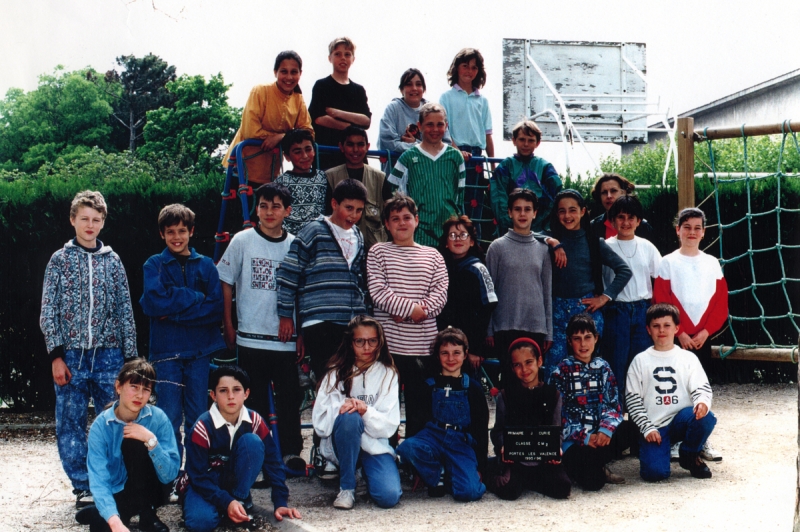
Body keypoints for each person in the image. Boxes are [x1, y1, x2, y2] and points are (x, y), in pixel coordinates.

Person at [40, 190, 138, 509]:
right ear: (73, 220)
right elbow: (48, 310)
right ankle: (83, 486)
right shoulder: (59, 260)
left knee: (115, 421)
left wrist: (131, 360)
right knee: (71, 423)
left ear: (103, 223)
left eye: (96, 220)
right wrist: (56, 355)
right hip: (71, 357)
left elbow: (125, 309)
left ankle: (113, 483)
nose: (90, 225)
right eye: (84, 219)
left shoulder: (113, 261)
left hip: (109, 356)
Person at [216, 183, 304, 471]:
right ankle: (260, 456)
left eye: (276, 206)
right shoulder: (242, 241)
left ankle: (291, 453)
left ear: (288, 211)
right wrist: (229, 324)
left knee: (290, 398)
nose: (269, 212)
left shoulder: (296, 244)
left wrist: (300, 331)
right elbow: (226, 282)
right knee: (254, 402)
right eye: (263, 205)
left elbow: (302, 292)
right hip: (250, 338)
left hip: (285, 340)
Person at [140, 204, 225, 465]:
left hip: (199, 352)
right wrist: (193, 297)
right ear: (162, 235)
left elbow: (215, 309)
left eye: (181, 231)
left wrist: (174, 313)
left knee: (198, 413)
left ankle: (196, 470)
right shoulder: (154, 264)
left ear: (191, 231)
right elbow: (153, 303)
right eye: (170, 232)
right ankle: (172, 470)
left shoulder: (207, 265)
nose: (176, 237)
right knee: (169, 414)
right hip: (166, 353)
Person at [367, 195, 448, 438]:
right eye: (395, 219)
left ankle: (415, 460)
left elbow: (440, 295)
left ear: (417, 220)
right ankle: (385, 454)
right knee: (384, 406)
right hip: (388, 347)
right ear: (386, 224)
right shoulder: (378, 252)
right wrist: (412, 310)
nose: (401, 223)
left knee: (420, 408)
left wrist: (412, 313)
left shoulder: (433, 255)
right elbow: (378, 291)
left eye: (406, 217)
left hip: (423, 347)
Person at [183, 365, 302, 531]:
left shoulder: (255, 421)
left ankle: (239, 500)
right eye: (223, 391)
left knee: (252, 442)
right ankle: (225, 506)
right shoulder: (202, 426)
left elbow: (273, 462)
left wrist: (280, 502)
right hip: (205, 485)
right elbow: (197, 476)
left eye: (237, 390)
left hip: (233, 482)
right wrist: (225, 501)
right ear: (213, 395)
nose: (231, 396)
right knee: (200, 523)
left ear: (246, 393)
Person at [653, 207, 728, 462]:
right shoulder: (668, 262)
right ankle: (677, 439)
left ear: (704, 232)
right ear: (678, 230)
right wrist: (680, 332)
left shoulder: (712, 263)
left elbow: (720, 303)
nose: (692, 232)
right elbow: (661, 299)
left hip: (702, 338)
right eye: (687, 227)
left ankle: (701, 440)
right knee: (678, 387)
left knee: (701, 388)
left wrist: (706, 331)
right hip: (677, 338)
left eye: (697, 228)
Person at [277, 179, 368, 383]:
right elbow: (289, 273)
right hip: (321, 321)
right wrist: (285, 315)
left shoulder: (358, 235)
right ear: (334, 204)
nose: (354, 215)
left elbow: (359, 279)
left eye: (359, 210)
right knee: (328, 382)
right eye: (349, 208)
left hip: (351, 320)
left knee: (351, 381)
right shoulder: (314, 230)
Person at [76, 359, 180, 532]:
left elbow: (169, 475)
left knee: (134, 441)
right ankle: (104, 511)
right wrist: (114, 521)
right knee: (100, 528)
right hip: (120, 490)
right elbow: (99, 478)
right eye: (134, 386)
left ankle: (147, 515)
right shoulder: (101, 426)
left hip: (153, 489)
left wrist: (151, 440)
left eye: (146, 389)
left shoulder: (158, 418)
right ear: (119, 387)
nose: (140, 395)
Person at [312, 316, 402, 510]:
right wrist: (345, 407)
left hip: (374, 446)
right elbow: (319, 422)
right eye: (359, 341)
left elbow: (389, 425)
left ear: (380, 342)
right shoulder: (334, 373)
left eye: (372, 341)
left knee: (389, 496)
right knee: (349, 417)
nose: (366, 347)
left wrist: (366, 410)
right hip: (342, 446)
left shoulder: (388, 374)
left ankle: (362, 472)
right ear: (350, 342)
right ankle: (347, 487)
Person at [544, 189, 632, 377]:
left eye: (573, 210)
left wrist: (604, 297)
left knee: (588, 368)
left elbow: (624, 270)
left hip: (586, 311)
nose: (567, 216)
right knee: (555, 368)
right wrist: (552, 241)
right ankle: (557, 407)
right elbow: (528, 234)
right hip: (556, 314)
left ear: (583, 211)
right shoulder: (549, 240)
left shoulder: (593, 241)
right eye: (562, 211)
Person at [626, 304, 717, 481]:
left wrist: (702, 403)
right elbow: (633, 399)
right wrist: (647, 428)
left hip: (681, 420)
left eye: (667, 325)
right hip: (655, 426)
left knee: (706, 418)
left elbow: (701, 387)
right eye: (656, 326)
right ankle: (656, 449)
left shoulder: (688, 358)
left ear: (676, 328)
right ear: (648, 329)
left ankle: (689, 454)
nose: (662, 330)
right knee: (655, 474)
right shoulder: (640, 360)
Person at [396, 328, 488, 501]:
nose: (451, 358)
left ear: (465, 354)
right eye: (445, 353)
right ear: (437, 356)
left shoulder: (473, 388)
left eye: (456, 353)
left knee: (469, 493)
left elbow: (481, 428)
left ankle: (453, 474)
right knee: (407, 446)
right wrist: (419, 467)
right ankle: (437, 473)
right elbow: (417, 421)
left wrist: (480, 466)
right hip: (433, 437)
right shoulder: (429, 385)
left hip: (460, 441)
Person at [551, 314, 631, 491]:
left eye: (587, 337)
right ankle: (583, 467)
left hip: (600, 436)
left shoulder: (604, 367)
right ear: (569, 341)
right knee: (594, 483)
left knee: (629, 429)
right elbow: (558, 415)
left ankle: (596, 463)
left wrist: (605, 430)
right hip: (575, 440)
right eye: (577, 339)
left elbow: (613, 406)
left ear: (596, 339)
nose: (583, 344)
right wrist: (585, 437)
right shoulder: (560, 372)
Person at [488, 338, 571, 500]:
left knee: (563, 489)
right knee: (509, 492)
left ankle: (530, 481)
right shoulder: (505, 395)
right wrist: (503, 446)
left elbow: (557, 430)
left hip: (543, 461)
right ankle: (493, 471)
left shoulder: (553, 394)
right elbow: (497, 431)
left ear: (539, 361)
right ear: (512, 368)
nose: (524, 369)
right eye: (517, 365)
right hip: (516, 460)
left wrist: (556, 448)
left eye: (528, 362)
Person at [485, 188, 552, 381]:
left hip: (535, 327)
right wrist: (489, 329)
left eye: (527, 209)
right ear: (509, 212)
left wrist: (548, 332)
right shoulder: (497, 247)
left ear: (535, 213)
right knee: (509, 382)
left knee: (533, 383)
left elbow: (546, 292)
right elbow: (489, 293)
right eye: (517, 209)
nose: (522, 214)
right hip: (504, 327)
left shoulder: (543, 249)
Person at [602, 195, 662, 410]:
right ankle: (615, 414)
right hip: (616, 310)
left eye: (631, 217)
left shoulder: (647, 247)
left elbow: (661, 278)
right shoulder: (605, 246)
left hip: (642, 309)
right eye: (620, 217)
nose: (625, 222)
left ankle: (641, 412)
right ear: (612, 220)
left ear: (639, 221)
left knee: (641, 362)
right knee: (616, 362)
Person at [223, 51, 313, 186]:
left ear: (300, 73)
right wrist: (286, 137)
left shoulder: (298, 99)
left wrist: (281, 137)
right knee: (239, 206)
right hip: (242, 167)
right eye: (284, 71)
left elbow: (308, 133)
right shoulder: (260, 91)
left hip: (271, 173)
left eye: (294, 72)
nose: (289, 77)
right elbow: (251, 131)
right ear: (275, 72)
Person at [387, 102, 465, 247]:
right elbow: (392, 190)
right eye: (429, 124)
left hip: (448, 234)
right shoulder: (408, 157)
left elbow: (459, 197)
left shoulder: (455, 157)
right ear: (420, 125)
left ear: (446, 126)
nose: (435, 129)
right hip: (419, 234)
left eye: (439, 124)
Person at [439, 48, 494, 237]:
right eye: (465, 66)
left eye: (473, 67)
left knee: (475, 208)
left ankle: (474, 250)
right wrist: (456, 151)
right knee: (457, 206)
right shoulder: (446, 97)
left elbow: (487, 136)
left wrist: (493, 165)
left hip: (477, 158)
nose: (469, 71)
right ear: (456, 68)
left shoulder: (482, 100)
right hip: (455, 155)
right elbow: (444, 130)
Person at [436, 215, 497, 373]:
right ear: (446, 243)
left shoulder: (478, 269)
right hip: (444, 343)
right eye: (452, 235)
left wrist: (476, 349)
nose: (458, 239)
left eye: (463, 235)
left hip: (469, 346)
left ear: (471, 241)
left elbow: (486, 310)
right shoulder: (440, 268)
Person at [325, 126, 392, 250]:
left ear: (367, 146)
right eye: (350, 144)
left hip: (375, 248)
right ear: (341, 147)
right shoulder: (331, 176)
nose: (355, 150)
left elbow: (389, 214)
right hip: (341, 246)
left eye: (360, 144)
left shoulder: (379, 177)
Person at [308, 37, 371, 170]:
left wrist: (337, 113)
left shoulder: (359, 90)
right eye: (338, 54)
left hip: (355, 157)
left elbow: (366, 121)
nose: (343, 58)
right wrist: (353, 127)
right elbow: (319, 119)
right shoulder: (321, 85)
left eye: (347, 54)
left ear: (353, 59)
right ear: (330, 58)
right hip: (328, 154)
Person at [490, 120, 562, 234]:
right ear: (514, 140)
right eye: (522, 139)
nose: (526, 144)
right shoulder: (505, 167)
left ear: (537, 143)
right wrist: (511, 225)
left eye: (531, 140)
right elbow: (498, 200)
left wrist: (539, 224)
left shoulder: (545, 167)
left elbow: (555, 198)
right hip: (510, 230)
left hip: (540, 230)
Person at [377, 68, 451, 174]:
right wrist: (423, 147)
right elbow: (388, 144)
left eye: (418, 84)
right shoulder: (393, 109)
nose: (414, 88)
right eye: (409, 84)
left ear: (424, 89)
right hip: (397, 177)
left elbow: (445, 144)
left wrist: (415, 144)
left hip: (427, 176)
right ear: (401, 89)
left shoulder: (433, 110)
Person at [274, 128, 332, 235]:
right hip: (291, 237)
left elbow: (329, 211)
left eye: (308, 149)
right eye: (297, 152)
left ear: (314, 151)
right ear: (287, 156)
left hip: (318, 235)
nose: (304, 156)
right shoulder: (281, 182)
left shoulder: (323, 178)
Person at [589, 173, 654, 242]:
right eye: (604, 192)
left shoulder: (643, 227)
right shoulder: (593, 227)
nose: (609, 196)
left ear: (624, 193)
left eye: (613, 191)